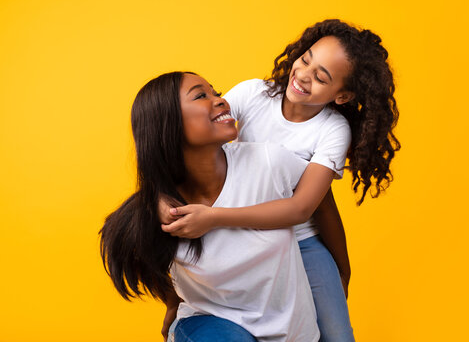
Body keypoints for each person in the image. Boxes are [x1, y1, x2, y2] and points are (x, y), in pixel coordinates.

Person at [161, 19, 401, 341]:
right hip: (240, 236)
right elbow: (202, 133)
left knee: (337, 335)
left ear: (341, 96)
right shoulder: (252, 95)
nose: (303, 75)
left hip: (299, 239)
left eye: (321, 77)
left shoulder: (332, 130)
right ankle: (184, 316)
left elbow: (303, 208)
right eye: (305, 59)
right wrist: (160, 195)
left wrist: (342, 270)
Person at [99, 71, 320, 341]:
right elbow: (137, 252)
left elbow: (319, 200)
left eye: (216, 92)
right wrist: (172, 301)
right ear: (168, 124)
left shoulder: (268, 162)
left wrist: (342, 271)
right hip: (212, 326)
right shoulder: (162, 209)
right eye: (201, 95)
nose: (221, 100)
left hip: (293, 333)